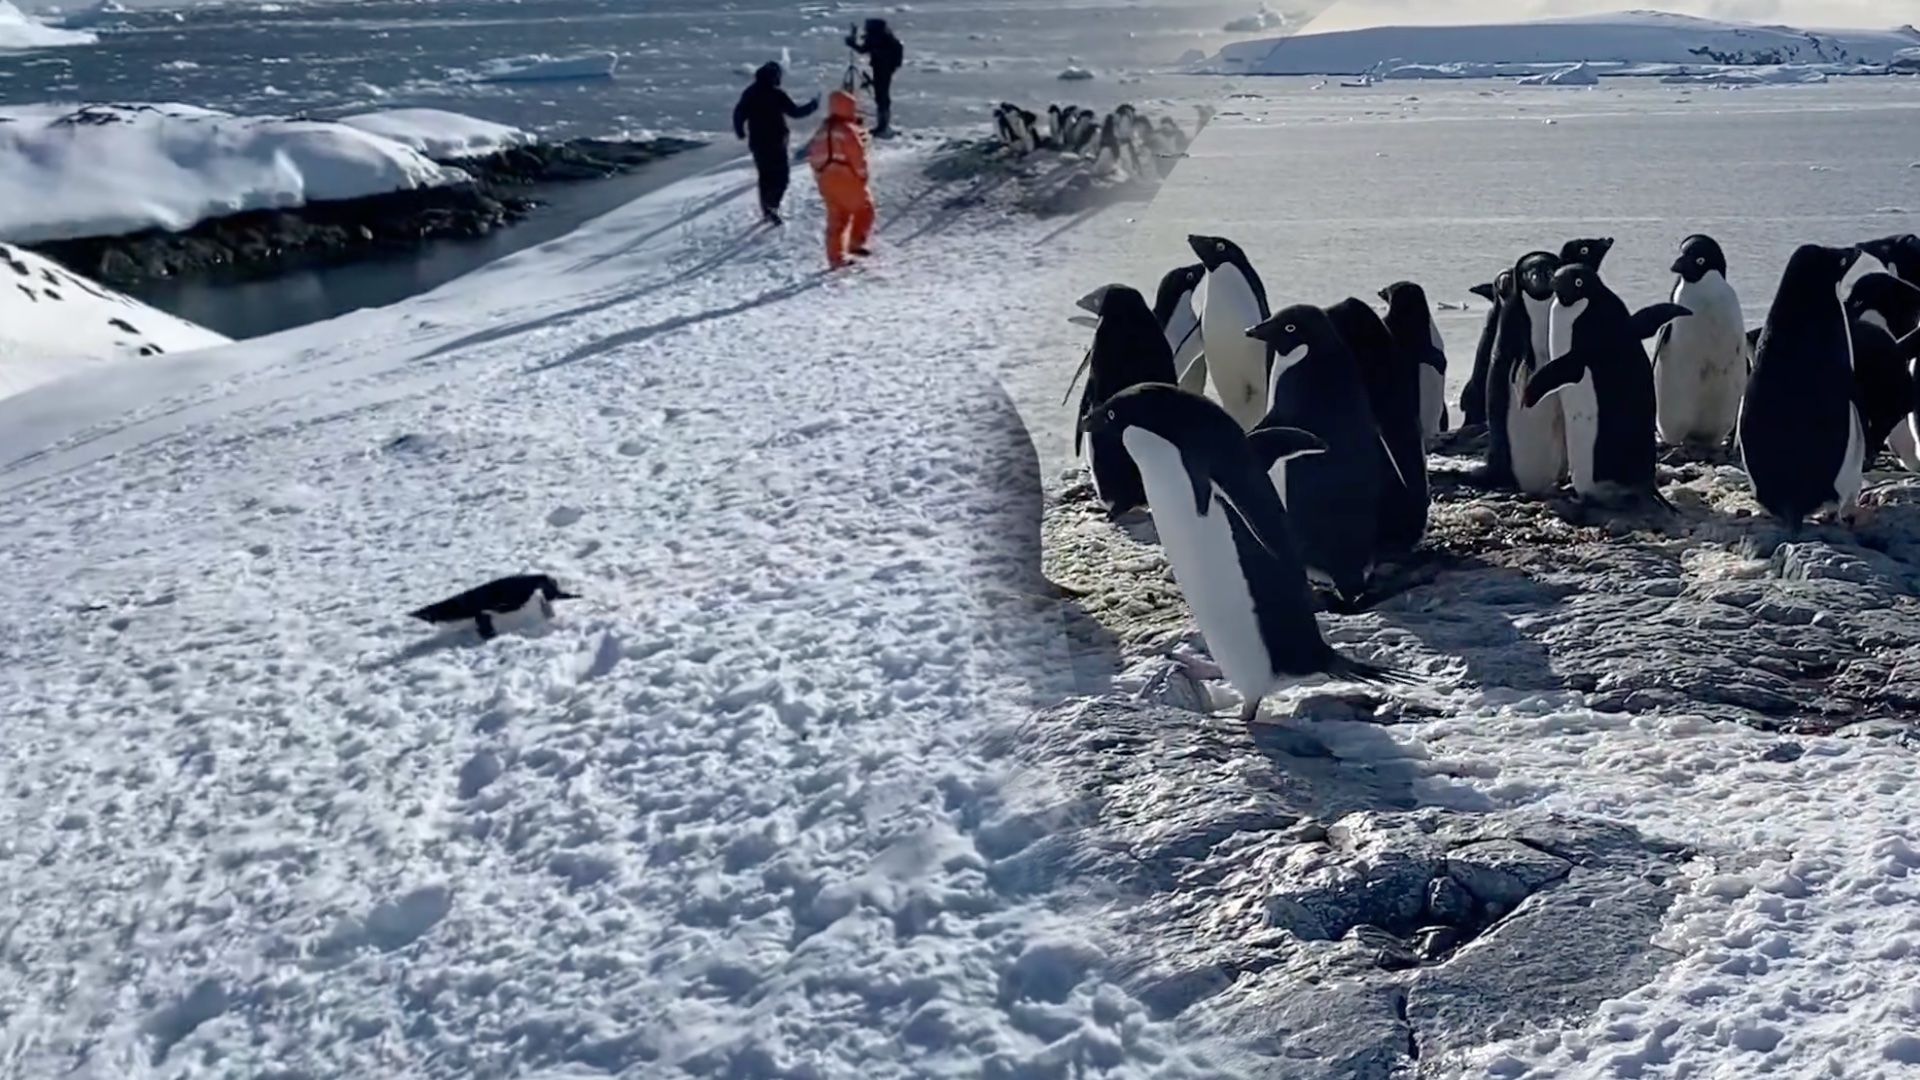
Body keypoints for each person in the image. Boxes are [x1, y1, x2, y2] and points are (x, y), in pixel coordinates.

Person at [733, 61, 818, 226]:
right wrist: (813, 105)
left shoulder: (750, 93)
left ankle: (768, 209)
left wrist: (740, 131)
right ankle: (773, 206)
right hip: (776, 142)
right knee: (781, 177)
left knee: (765, 176)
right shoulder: (776, 94)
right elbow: (795, 112)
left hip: (758, 142)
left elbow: (739, 113)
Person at [807, 89, 875, 270]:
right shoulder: (847, 130)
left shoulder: (822, 131)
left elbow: (813, 157)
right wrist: (862, 174)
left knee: (836, 218)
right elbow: (857, 155)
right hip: (846, 176)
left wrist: (820, 176)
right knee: (864, 208)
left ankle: (835, 258)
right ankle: (856, 242)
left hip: (826, 179)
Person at [844, 18, 903, 138]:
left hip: (883, 68)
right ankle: (883, 125)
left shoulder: (878, 39)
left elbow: (863, 49)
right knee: (881, 95)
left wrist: (852, 43)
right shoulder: (885, 38)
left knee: (882, 96)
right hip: (884, 68)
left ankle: (883, 126)